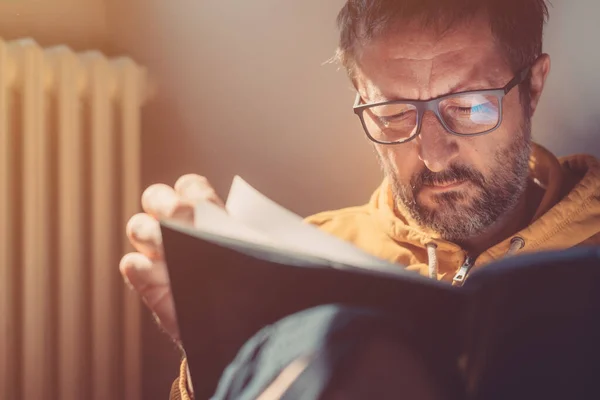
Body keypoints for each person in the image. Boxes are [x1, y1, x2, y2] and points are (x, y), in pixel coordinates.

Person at [119, 0, 600, 398]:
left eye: (469, 106)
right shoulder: (302, 261)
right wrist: (221, 351)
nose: (432, 156)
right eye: (392, 112)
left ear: (532, 88)